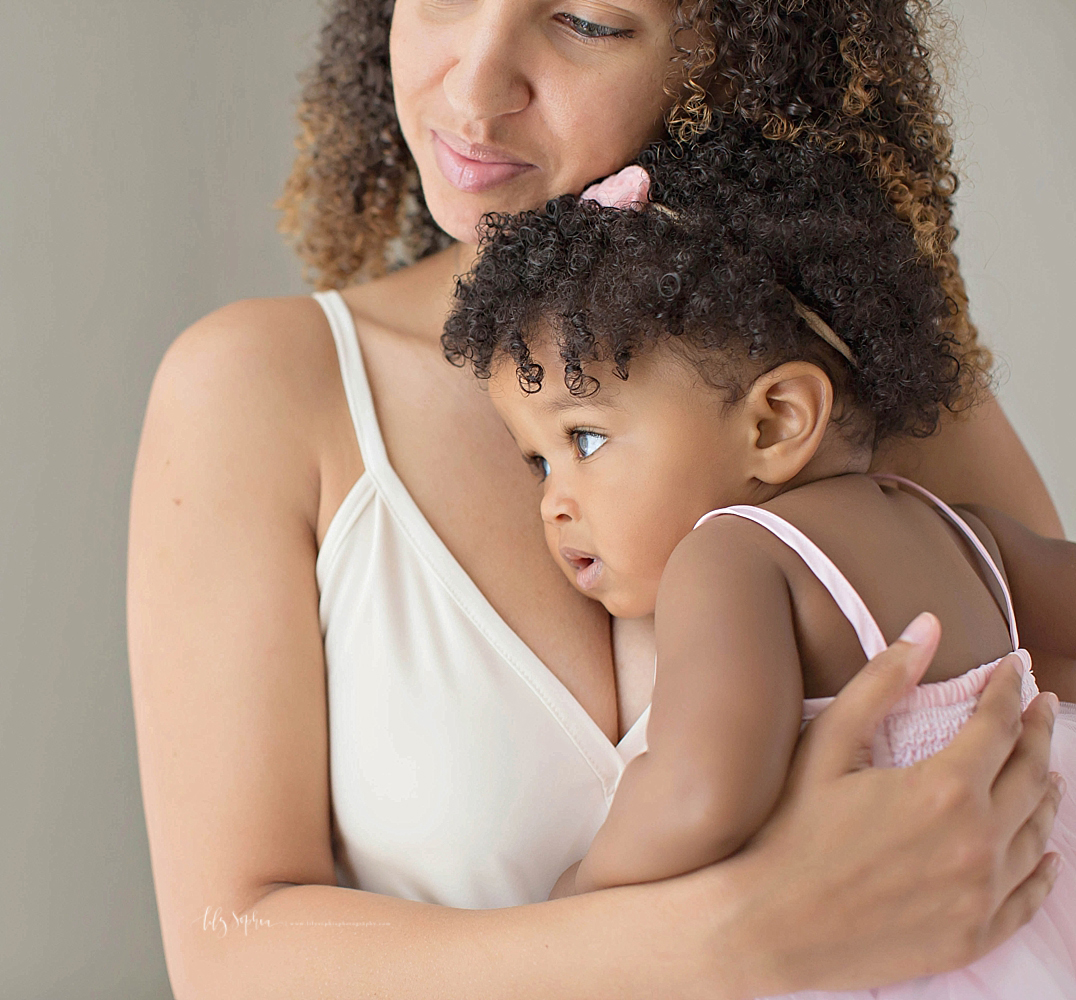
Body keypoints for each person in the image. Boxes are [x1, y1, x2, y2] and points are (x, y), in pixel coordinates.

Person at [127, 2, 1065, 996]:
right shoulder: (259, 390)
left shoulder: (858, 385)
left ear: (737, 52)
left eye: (584, 21)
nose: (476, 87)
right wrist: (734, 934)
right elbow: (226, 953)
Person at [442, 126, 1076, 996]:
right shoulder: (964, 532)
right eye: (537, 461)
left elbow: (704, 796)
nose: (552, 500)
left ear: (776, 421)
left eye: (585, 437)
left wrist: (579, 896)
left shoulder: (732, 556)